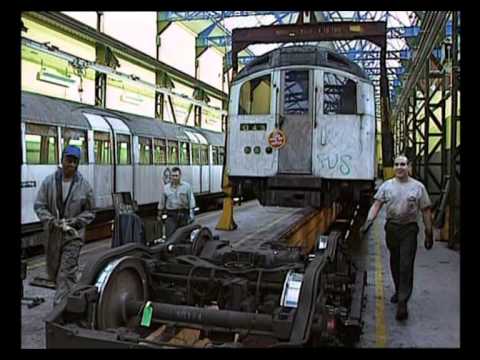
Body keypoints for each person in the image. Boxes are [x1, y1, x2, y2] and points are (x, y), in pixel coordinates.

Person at [360, 155, 433, 321]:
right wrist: (368, 223)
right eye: (397, 164)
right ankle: (399, 289)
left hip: (409, 229)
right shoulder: (387, 186)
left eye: (403, 164)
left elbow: (426, 211)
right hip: (392, 229)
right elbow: (376, 205)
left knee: (406, 264)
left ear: (409, 166)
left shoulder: (418, 187)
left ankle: (402, 301)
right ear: (394, 167)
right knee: (395, 261)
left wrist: (429, 233)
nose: (400, 167)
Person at [34, 145, 95, 307]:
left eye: (75, 162)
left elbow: (90, 211)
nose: (72, 165)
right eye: (69, 161)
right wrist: (51, 220)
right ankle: (72, 299)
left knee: (65, 273)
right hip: (53, 236)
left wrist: (75, 221)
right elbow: (39, 205)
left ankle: (59, 310)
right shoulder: (49, 182)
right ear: (62, 160)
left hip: (73, 236)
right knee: (54, 273)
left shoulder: (84, 186)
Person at [158, 167, 196, 238]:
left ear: (180, 176)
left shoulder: (187, 187)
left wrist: (192, 215)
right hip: (171, 215)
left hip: (184, 215)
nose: (174, 178)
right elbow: (162, 202)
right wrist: (159, 214)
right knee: (170, 236)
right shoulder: (166, 188)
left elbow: (191, 201)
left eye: (176, 176)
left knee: (184, 236)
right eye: (173, 176)